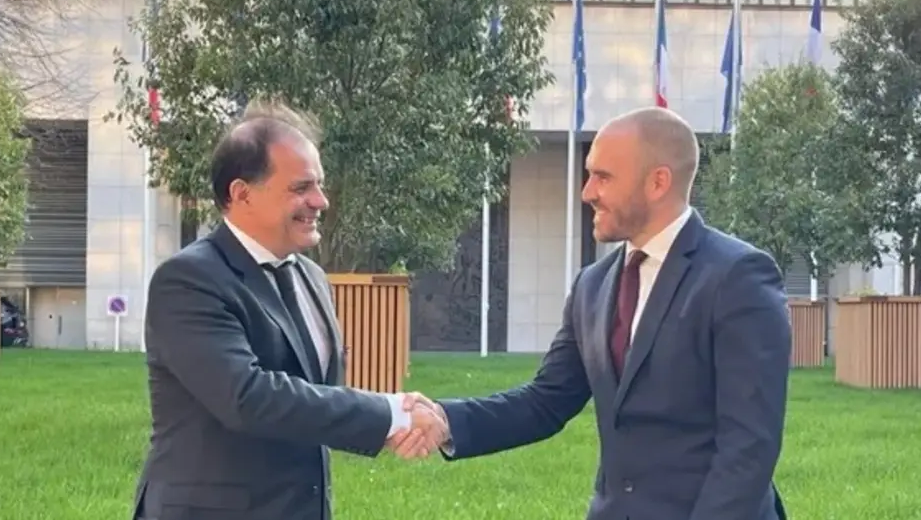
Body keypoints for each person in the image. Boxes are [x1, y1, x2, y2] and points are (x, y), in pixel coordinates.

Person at [397, 107, 791, 520]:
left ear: (658, 182)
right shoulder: (593, 284)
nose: (587, 192)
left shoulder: (738, 276)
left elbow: (749, 448)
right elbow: (545, 401)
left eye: (603, 177)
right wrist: (446, 421)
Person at [130, 103, 446, 520]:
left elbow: (315, 400)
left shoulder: (311, 277)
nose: (321, 201)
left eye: (320, 185)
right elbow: (248, 397)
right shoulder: (189, 280)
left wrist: (392, 422)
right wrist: (388, 414)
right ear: (241, 193)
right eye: (301, 188)